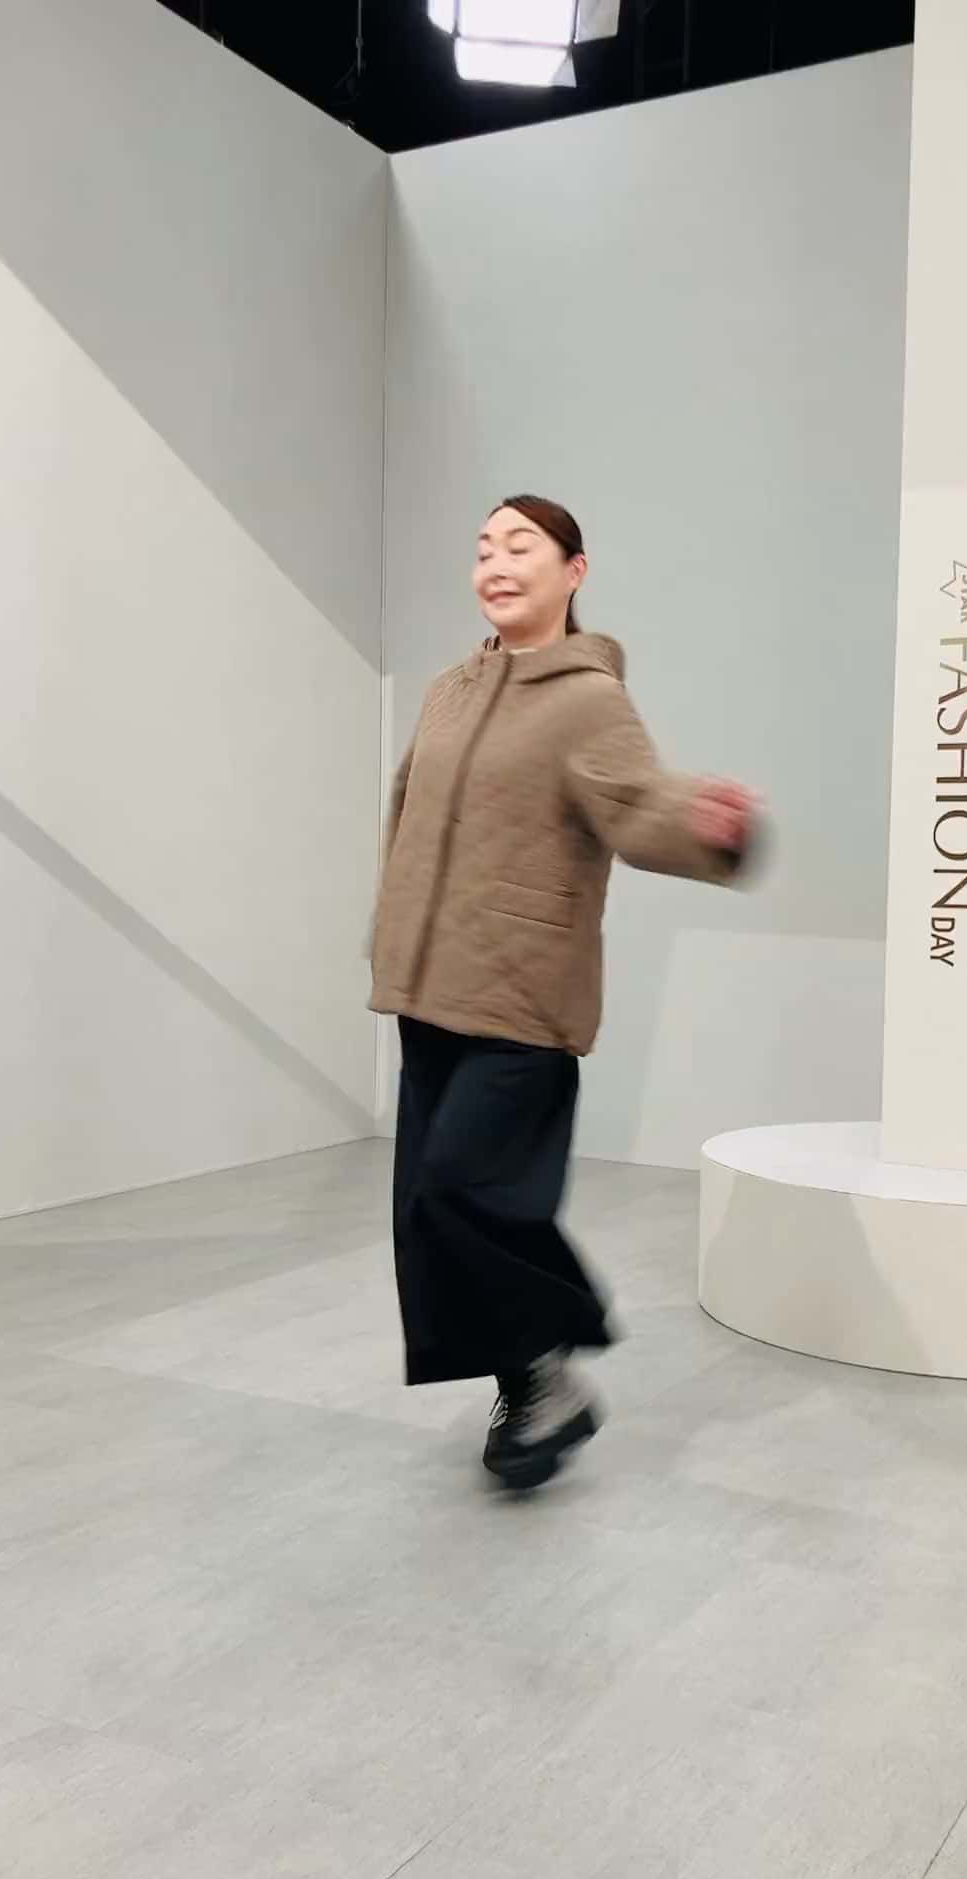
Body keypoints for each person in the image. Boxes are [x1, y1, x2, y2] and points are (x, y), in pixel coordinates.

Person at [370, 495, 757, 1491]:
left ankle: (551, 1359)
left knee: (466, 1190)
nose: (496, 564)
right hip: (429, 985)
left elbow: (638, 804)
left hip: (524, 992)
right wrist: (392, 940)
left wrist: (705, 824)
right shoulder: (451, 690)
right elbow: (406, 814)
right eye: (484, 548)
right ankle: (529, 1387)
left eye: (521, 546)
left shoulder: (590, 699)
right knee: (428, 1211)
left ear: (573, 572)